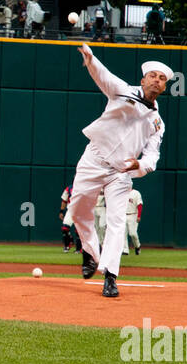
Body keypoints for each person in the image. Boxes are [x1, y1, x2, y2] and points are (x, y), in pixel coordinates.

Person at [67, 49, 168, 297]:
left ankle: (110, 276)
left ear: (165, 86)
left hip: (121, 172)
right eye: (152, 76)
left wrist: (140, 166)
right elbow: (105, 77)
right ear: (143, 80)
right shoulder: (123, 90)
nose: (157, 80)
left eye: (162, 78)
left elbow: (153, 157)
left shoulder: (158, 123)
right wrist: (91, 61)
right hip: (94, 158)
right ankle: (91, 252)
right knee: (78, 210)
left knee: (116, 221)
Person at [125, 189, 143, 254]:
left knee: (132, 233)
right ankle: (125, 250)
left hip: (133, 215)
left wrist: (139, 215)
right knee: (123, 234)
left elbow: (140, 204)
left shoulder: (136, 193)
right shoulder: (122, 192)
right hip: (123, 215)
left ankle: (137, 246)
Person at [59, 185, 75, 252]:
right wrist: (61, 211)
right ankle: (67, 244)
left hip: (81, 209)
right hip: (71, 209)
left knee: (80, 231)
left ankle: (80, 249)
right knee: (64, 228)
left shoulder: (85, 186)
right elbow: (64, 200)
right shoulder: (69, 188)